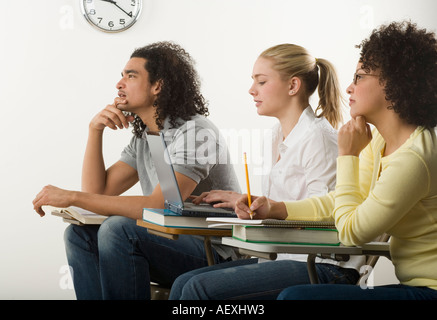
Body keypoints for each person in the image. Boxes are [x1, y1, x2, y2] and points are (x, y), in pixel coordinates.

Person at [236, 22, 437, 300]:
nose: (349, 88)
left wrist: (348, 155)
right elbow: (338, 202)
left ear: (393, 83)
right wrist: (276, 208)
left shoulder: (414, 158)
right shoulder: (379, 141)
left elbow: (353, 230)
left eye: (360, 77)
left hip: (428, 290)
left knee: (295, 299)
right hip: (413, 286)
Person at [32, 41, 241, 300]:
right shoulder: (147, 137)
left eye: (131, 76)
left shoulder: (195, 132)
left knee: (118, 228)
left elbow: (161, 204)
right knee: (79, 234)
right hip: (168, 242)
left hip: (214, 253)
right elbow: (98, 192)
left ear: (157, 86)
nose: (119, 84)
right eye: (121, 76)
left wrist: (72, 197)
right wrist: (94, 130)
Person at [170, 44, 364, 300]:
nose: (252, 90)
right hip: (282, 258)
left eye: (261, 81)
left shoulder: (319, 139)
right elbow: (292, 200)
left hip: (324, 265)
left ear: (293, 86)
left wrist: (270, 210)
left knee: (198, 290)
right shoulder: (276, 136)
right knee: (185, 282)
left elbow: (329, 220)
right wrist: (243, 201)